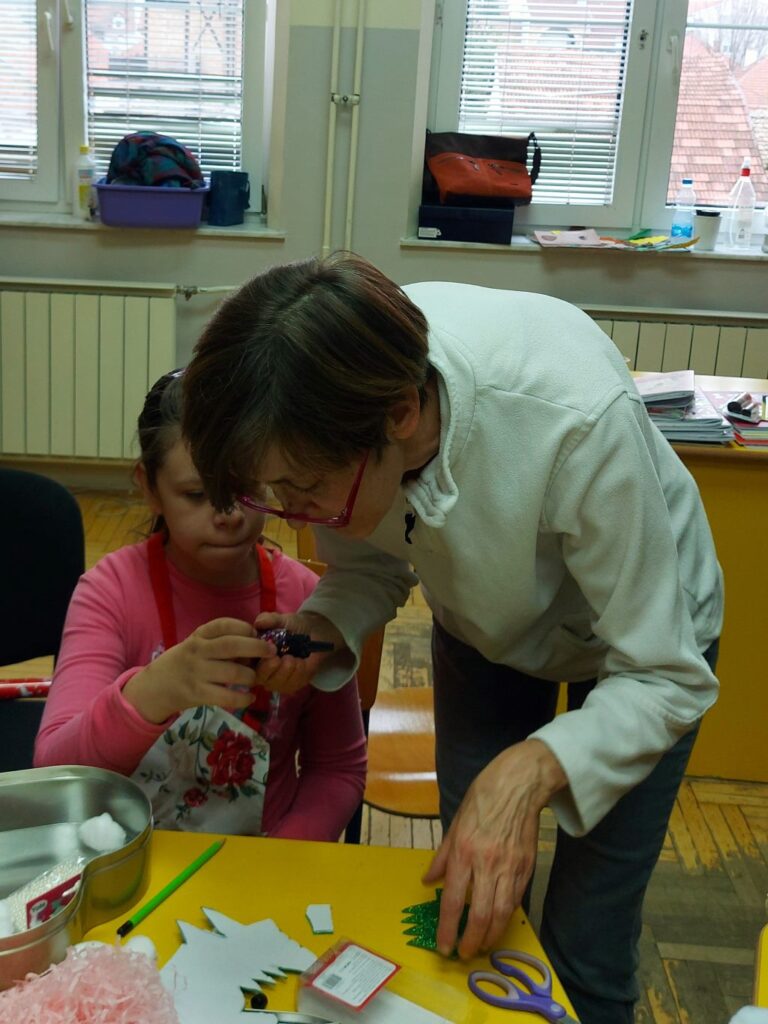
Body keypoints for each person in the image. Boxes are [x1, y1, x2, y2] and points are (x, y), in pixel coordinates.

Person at [180, 253, 722, 1024]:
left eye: (303, 491)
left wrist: (530, 770)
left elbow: (666, 675)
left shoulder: (571, 417)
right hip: (486, 624)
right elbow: (371, 557)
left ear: (402, 414)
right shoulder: (341, 392)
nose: (293, 514)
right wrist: (319, 629)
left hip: (644, 651)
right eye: (274, 494)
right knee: (474, 907)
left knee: (586, 942)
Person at [34, 370, 367, 842]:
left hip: (266, 857)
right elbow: (55, 771)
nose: (228, 514)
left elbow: (338, 768)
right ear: (149, 487)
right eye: (196, 494)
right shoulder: (109, 592)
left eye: (246, 489)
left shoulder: (309, 600)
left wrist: (284, 854)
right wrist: (153, 692)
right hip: (137, 853)